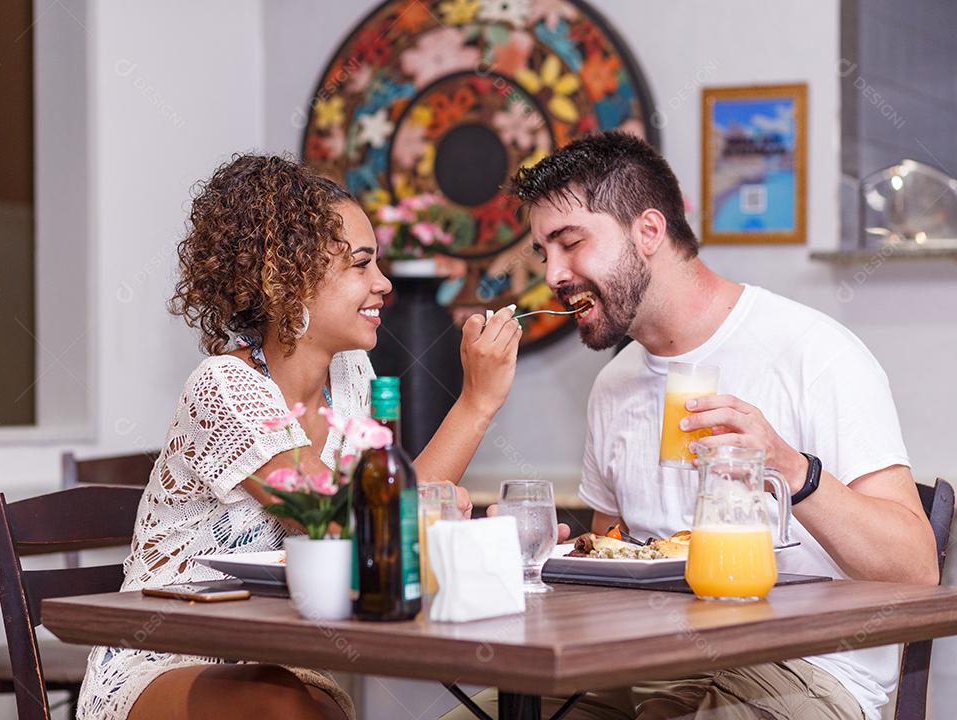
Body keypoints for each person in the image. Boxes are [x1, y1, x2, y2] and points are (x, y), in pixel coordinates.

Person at [445, 132, 937, 720]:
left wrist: (790, 467)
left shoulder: (815, 352)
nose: (552, 273)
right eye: (542, 252)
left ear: (649, 232)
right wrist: (547, 554)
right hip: (645, 661)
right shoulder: (615, 383)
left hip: (807, 669)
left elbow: (915, 567)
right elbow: (618, 556)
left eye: (570, 243)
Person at [77, 155, 522, 720]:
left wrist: (478, 402)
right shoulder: (223, 389)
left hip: (282, 658)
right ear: (287, 281)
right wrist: (430, 507)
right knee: (287, 711)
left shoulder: (351, 379)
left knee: (310, 709)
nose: (382, 284)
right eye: (361, 265)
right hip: (170, 654)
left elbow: (383, 519)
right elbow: (331, 520)